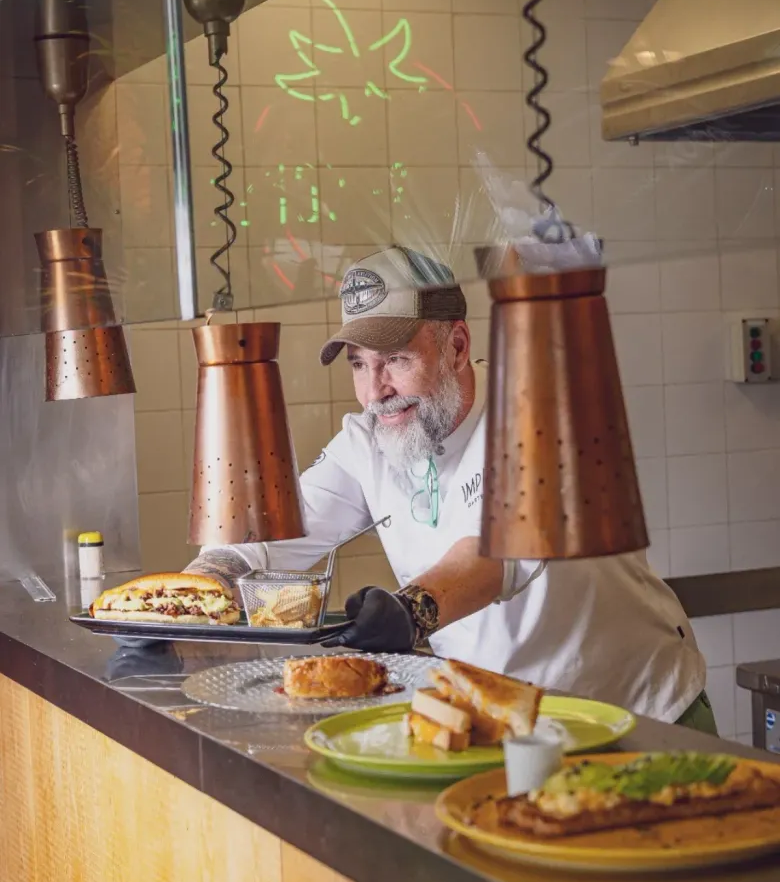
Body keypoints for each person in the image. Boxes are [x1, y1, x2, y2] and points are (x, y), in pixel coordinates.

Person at [186, 246, 713, 731]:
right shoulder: (369, 438)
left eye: (395, 360)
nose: (376, 392)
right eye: (359, 365)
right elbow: (266, 529)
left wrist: (408, 612)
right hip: (502, 719)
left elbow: (494, 558)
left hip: (635, 711)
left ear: (456, 345)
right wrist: (192, 593)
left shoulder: (534, 410)